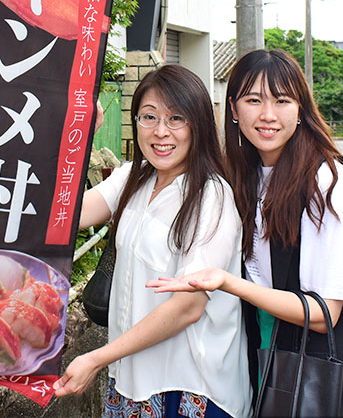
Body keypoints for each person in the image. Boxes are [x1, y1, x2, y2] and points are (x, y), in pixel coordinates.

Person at [149, 49, 343, 417]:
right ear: (233, 109)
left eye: (282, 100)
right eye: (254, 100)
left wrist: (226, 282)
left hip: (336, 385)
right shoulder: (241, 177)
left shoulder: (328, 182)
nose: (268, 115)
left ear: (300, 109)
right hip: (276, 371)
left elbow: (324, 313)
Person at [54, 64, 253, 418]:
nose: (161, 132)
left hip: (192, 389)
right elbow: (63, 215)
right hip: (130, 379)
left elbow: (187, 307)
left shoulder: (213, 196)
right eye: (149, 117)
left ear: (199, 124)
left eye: (176, 118)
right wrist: (77, 139)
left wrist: (97, 358)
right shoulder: (133, 177)